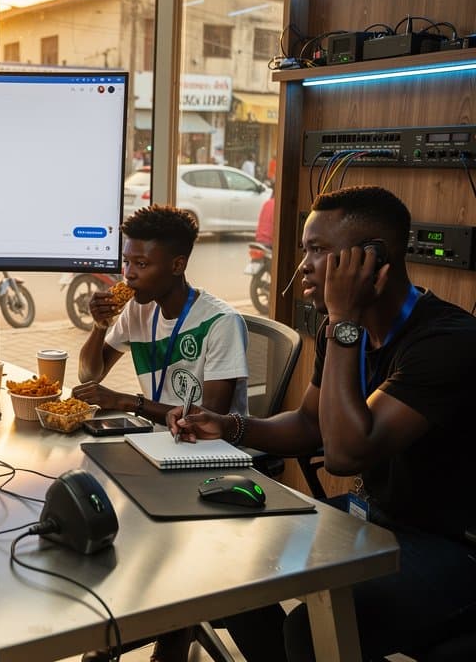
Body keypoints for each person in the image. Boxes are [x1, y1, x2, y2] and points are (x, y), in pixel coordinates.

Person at [170, 186, 476, 662]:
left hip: (452, 546)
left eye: (318, 250)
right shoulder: (344, 330)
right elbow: (311, 423)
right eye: (304, 250)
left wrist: (343, 319)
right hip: (374, 519)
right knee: (229, 572)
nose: (303, 266)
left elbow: (345, 452)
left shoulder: (447, 341)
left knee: (310, 632)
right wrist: (230, 427)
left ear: (371, 259)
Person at [73, 204, 248, 662]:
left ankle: (173, 624)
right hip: (157, 448)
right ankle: (159, 616)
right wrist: (98, 327)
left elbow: (209, 421)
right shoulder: (136, 311)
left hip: (210, 461)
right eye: (126, 262)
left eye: (141, 264)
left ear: (177, 265)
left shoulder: (221, 322)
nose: (128, 275)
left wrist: (130, 403)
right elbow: (90, 374)